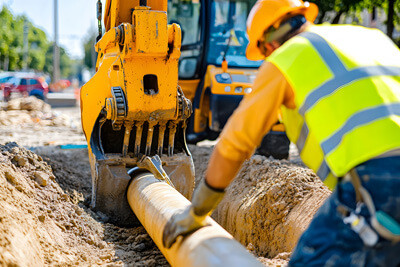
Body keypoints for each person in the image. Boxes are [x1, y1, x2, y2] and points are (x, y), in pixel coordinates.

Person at [163, 0, 400, 265]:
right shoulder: (372, 38)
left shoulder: (287, 58)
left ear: (269, 40)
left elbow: (233, 144)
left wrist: (196, 212)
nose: (266, 57)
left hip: (380, 180)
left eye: (263, 51)